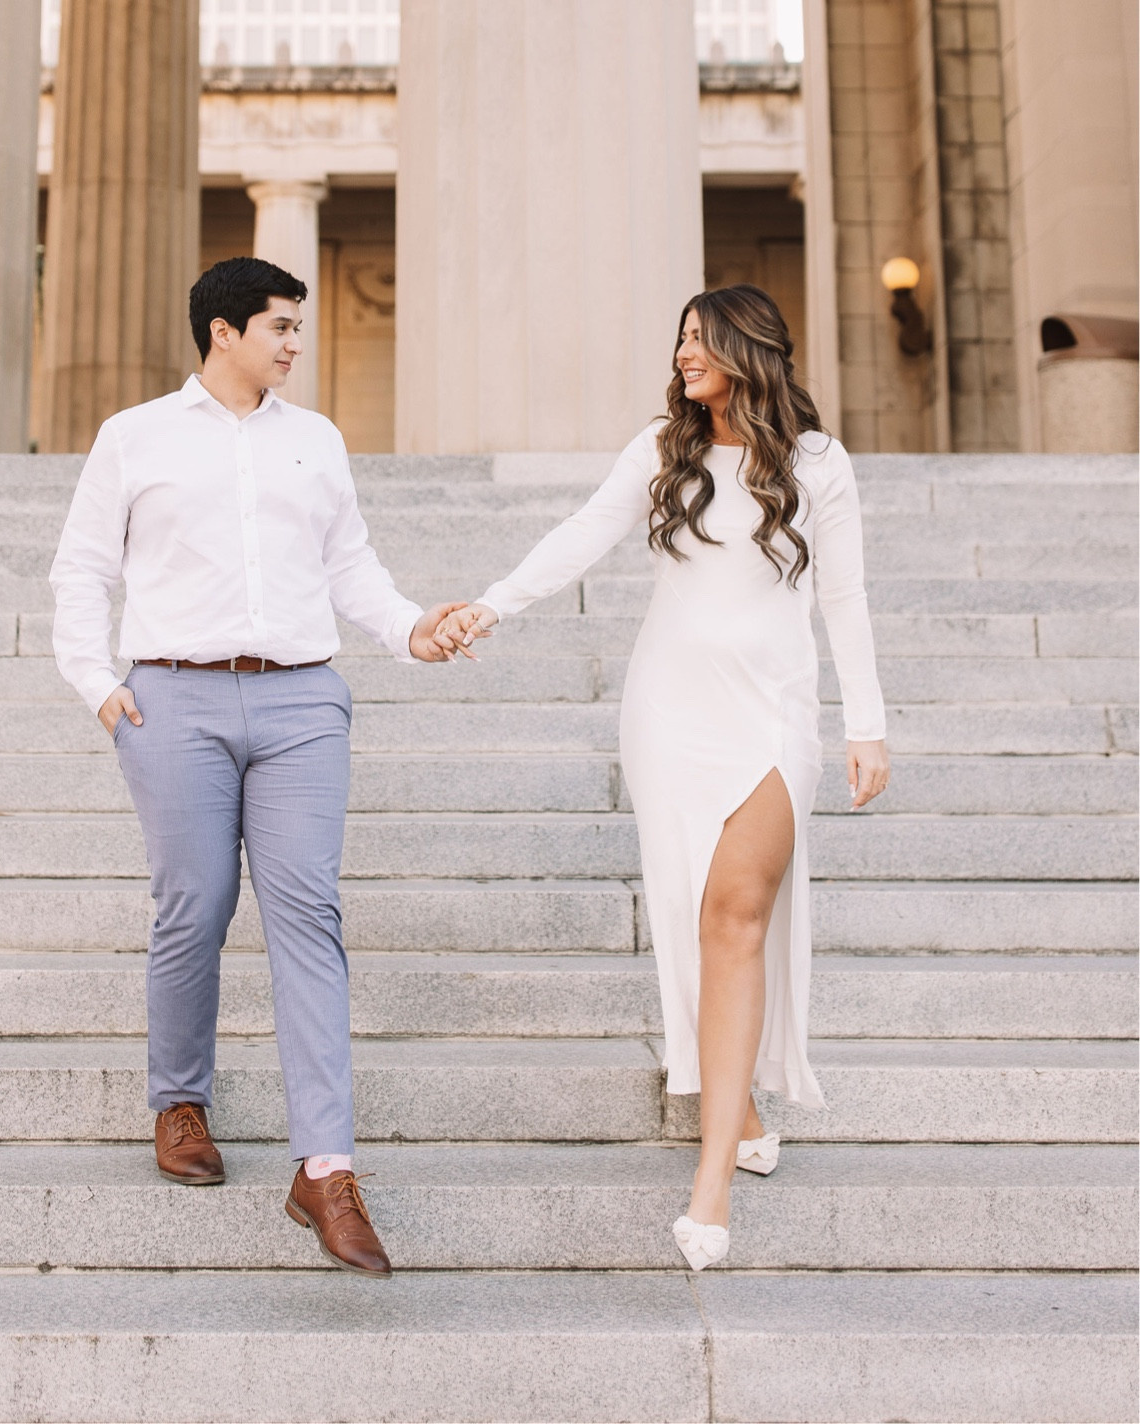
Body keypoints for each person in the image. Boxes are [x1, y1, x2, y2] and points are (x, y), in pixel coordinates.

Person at [442, 283, 890, 1271]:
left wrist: (867, 724)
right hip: (669, 712)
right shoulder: (660, 450)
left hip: (771, 715)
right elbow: (579, 536)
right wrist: (490, 605)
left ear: (749, 349)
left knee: (735, 915)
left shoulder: (818, 462)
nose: (685, 353)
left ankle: (711, 1180)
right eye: (681, 338)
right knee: (696, 916)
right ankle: (737, 1109)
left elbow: (846, 596)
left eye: (701, 339)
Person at [50, 256, 471, 1279]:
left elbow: (348, 566)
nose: (295, 342)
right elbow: (83, 567)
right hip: (174, 700)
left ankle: (326, 1169)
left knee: (308, 915)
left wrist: (408, 628)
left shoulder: (315, 439)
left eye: (297, 325)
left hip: (301, 702)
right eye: (280, 326)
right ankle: (179, 1101)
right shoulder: (135, 435)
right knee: (192, 905)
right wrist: (98, 683)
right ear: (224, 331)